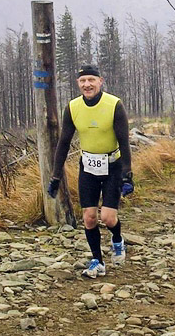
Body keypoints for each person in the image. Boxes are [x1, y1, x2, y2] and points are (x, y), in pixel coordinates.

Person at [48, 64, 133, 278]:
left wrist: (127, 175)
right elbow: (64, 143)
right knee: (89, 217)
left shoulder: (114, 105)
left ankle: (117, 240)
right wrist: (56, 176)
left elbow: (124, 142)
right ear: (78, 84)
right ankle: (98, 261)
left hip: (112, 166)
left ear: (100, 81)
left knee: (108, 217)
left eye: (91, 80)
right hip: (88, 167)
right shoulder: (73, 107)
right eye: (83, 81)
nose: (87, 84)